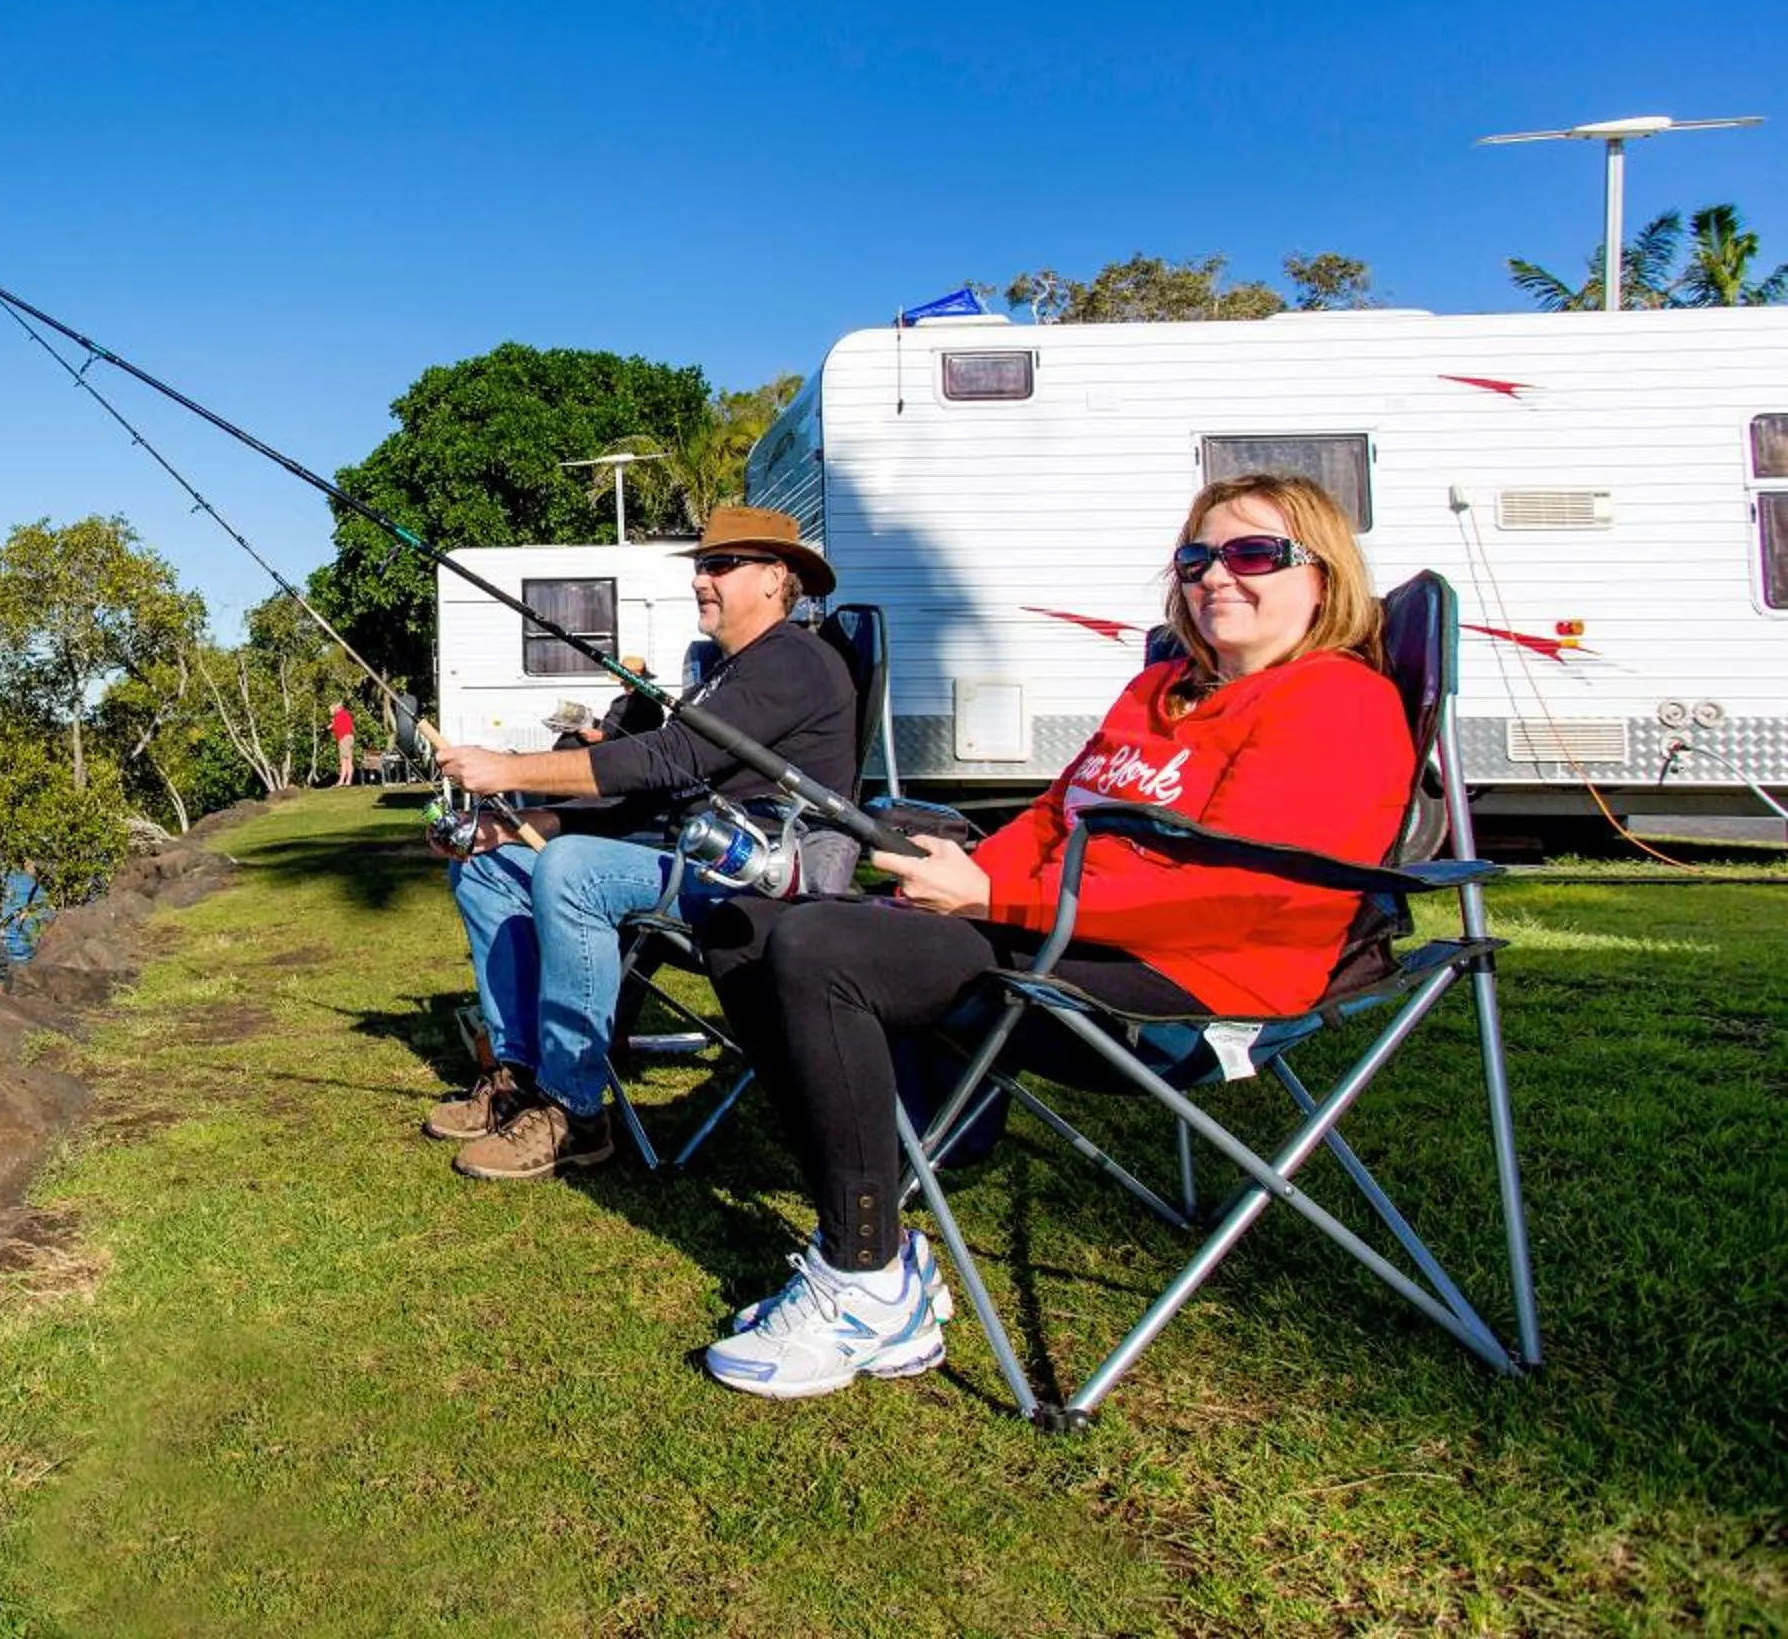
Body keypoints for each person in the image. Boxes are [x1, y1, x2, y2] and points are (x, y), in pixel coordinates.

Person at [695, 472, 1414, 1401]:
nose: (1216, 577)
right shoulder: (1163, 687)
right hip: (1070, 939)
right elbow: (1052, 820)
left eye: (1254, 554)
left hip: (1198, 981)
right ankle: (886, 1191)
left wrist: (993, 898)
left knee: (820, 952)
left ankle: (869, 1282)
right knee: (749, 926)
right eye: (1198, 558)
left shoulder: (1333, 702)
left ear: (1326, 576)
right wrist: (962, 869)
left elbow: (1230, 890)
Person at [424, 505, 858, 1181]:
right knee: (490, 867)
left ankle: (574, 1113)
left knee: (573, 872)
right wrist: (523, 823)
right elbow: (663, 789)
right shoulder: (729, 668)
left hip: (760, 878)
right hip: (692, 851)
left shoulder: (794, 661)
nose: (700, 581)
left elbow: (668, 761)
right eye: (700, 567)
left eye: (719, 566)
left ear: (776, 577)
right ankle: (518, 1074)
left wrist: (509, 771)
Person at [330, 700, 356, 786]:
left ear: (336, 708)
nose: (331, 712)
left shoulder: (339, 715)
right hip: (348, 738)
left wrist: (332, 726)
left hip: (344, 739)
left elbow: (339, 728)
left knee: (346, 761)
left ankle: (345, 781)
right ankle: (344, 780)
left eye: (331, 709)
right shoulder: (345, 714)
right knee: (346, 760)